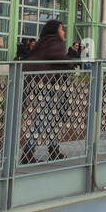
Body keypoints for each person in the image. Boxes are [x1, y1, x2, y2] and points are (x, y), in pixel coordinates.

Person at [21, 18, 78, 163]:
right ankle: (28, 152)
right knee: (42, 118)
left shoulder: (44, 41)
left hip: (41, 82)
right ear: (55, 30)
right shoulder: (54, 42)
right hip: (46, 83)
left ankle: (53, 150)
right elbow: (56, 56)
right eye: (61, 28)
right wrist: (71, 62)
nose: (63, 31)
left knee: (49, 118)